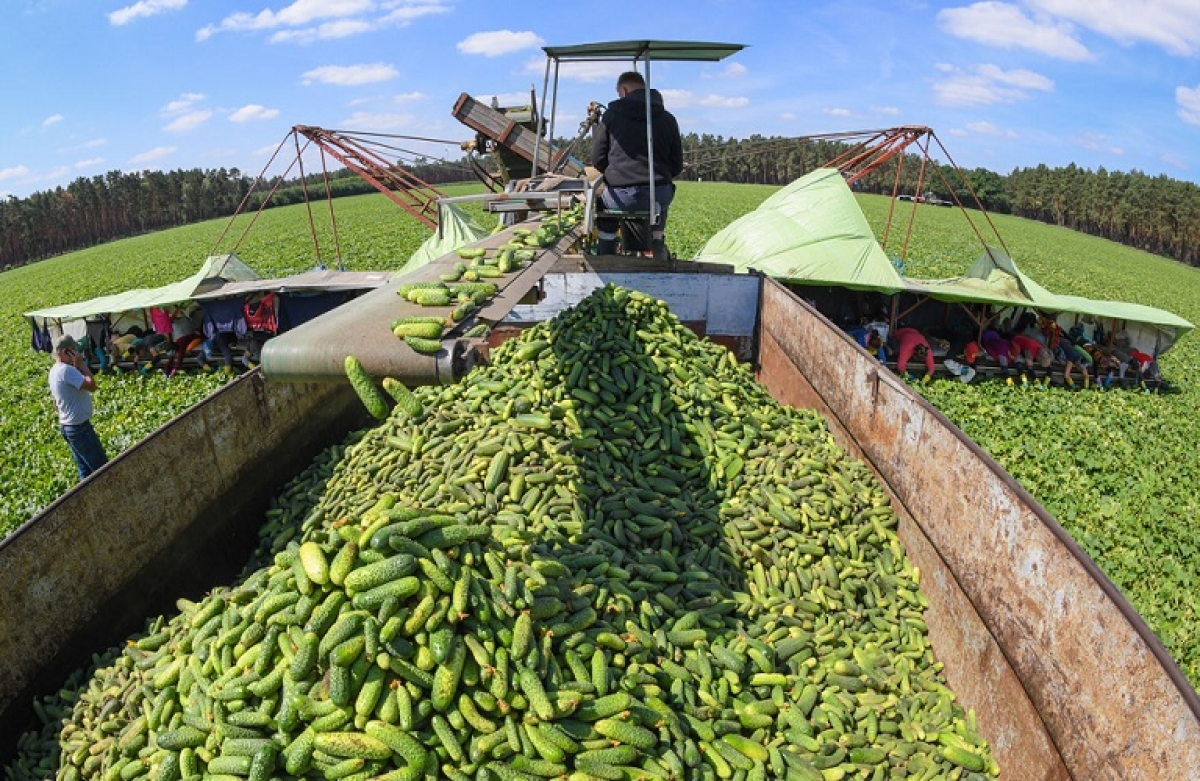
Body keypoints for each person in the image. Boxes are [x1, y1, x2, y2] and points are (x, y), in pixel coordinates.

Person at [591, 70, 683, 259]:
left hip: (620, 196)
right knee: (660, 198)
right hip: (657, 195)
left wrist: (616, 174)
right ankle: (657, 241)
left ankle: (606, 249)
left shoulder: (611, 116)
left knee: (602, 204)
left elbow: (598, 159)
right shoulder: (668, 119)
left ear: (624, 91)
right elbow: (677, 165)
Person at [48, 335, 108, 480]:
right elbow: (92, 386)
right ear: (64, 352)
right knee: (103, 470)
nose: (76, 352)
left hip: (68, 427)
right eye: (73, 350)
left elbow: (56, 404)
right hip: (80, 429)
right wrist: (81, 364)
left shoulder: (54, 371)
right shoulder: (66, 371)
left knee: (86, 472)